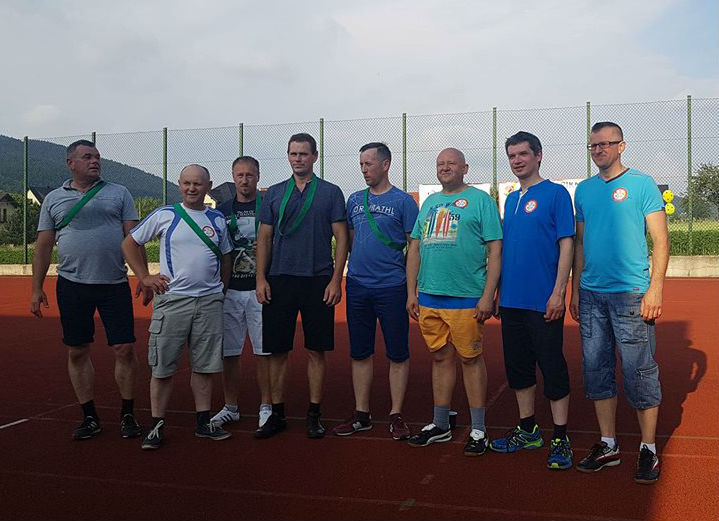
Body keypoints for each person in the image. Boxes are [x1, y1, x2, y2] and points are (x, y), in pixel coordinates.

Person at [569, 122, 669, 484]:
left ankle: (648, 448)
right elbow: (580, 243)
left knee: (640, 372)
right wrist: (576, 289)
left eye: (606, 144)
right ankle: (608, 444)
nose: (599, 150)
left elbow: (661, 240)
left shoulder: (642, 184)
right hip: (592, 295)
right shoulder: (584, 190)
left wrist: (655, 289)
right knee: (596, 371)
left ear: (622, 146)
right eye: (593, 145)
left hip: (631, 294)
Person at [31, 139, 150, 441]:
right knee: (77, 350)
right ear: (71, 163)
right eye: (87, 157)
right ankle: (89, 416)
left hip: (114, 285)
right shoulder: (53, 199)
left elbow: (134, 239)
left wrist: (144, 277)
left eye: (97, 156)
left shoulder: (119, 193)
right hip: (72, 286)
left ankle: (127, 414)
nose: (95, 161)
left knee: (124, 349)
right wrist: (36, 288)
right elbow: (43, 246)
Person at [122, 164, 233, 450]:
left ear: (208, 186)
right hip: (173, 301)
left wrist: (220, 289)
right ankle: (157, 424)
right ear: (180, 184)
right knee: (162, 367)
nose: (192, 188)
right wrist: (144, 277)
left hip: (208, 303)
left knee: (205, 366)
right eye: (187, 183)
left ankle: (203, 421)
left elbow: (226, 257)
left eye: (198, 183)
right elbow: (130, 243)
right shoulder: (165, 215)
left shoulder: (217, 219)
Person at [406, 147, 502, 456]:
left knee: (470, 359)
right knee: (440, 358)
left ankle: (478, 429)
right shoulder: (430, 203)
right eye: (440, 163)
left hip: (466, 297)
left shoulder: (481, 201)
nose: (445, 168)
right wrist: (411, 292)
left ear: (465, 168)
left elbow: (495, 250)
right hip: (429, 296)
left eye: (451, 163)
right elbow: (415, 249)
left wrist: (488, 294)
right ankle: (440, 424)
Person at [489, 132, 575, 470]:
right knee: (518, 368)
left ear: (538, 156)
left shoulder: (556, 194)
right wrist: (498, 291)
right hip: (512, 301)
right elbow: (504, 250)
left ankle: (560, 437)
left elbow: (566, 245)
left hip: (543, 301)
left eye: (523, 154)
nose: (517, 160)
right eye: (512, 155)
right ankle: (528, 430)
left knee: (552, 367)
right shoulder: (511, 199)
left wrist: (558, 292)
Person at [255, 133, 348, 440]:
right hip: (279, 279)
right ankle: (277, 414)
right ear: (288, 156)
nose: (298, 159)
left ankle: (314, 414)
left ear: (315, 157)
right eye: (293, 154)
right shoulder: (274, 193)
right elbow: (264, 238)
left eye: (303, 154)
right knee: (277, 350)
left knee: (316, 351)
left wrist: (336, 279)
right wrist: (261, 278)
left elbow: (342, 238)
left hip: (318, 280)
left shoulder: (331, 192)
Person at [332, 143, 418, 440]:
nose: (364, 169)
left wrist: (410, 288)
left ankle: (396, 414)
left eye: (369, 163)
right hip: (358, 286)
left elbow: (414, 245)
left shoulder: (404, 201)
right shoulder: (355, 200)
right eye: (361, 164)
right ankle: (362, 414)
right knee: (360, 352)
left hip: (392, 287)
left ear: (386, 164)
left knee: (397, 353)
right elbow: (349, 240)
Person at [210, 156, 272, 429]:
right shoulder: (222, 210)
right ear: (233, 177)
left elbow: (280, 241)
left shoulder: (268, 207)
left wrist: (269, 247)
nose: (245, 180)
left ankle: (267, 406)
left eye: (250, 175)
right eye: (240, 175)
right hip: (231, 290)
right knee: (230, 352)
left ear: (258, 176)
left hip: (260, 290)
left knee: (263, 352)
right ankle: (230, 406)